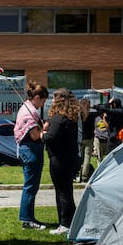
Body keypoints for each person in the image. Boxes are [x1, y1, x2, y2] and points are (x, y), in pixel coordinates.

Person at [42, 88, 79, 235]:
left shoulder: (58, 118)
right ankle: (72, 221)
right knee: (67, 192)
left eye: (54, 98)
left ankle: (64, 224)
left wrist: (42, 133)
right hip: (70, 158)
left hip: (59, 160)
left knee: (62, 192)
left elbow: (51, 138)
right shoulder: (71, 117)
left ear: (58, 100)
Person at [13, 81, 49, 230]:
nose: (43, 104)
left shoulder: (25, 108)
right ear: (37, 97)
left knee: (31, 186)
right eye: (43, 101)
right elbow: (35, 136)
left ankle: (29, 217)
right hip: (31, 150)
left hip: (26, 150)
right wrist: (45, 128)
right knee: (30, 186)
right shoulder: (30, 112)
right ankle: (27, 220)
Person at [79, 98, 96, 182]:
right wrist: (94, 106)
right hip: (89, 138)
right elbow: (103, 109)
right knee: (87, 157)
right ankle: (84, 176)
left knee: (80, 157)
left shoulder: (79, 115)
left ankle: (78, 174)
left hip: (80, 138)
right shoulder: (91, 115)